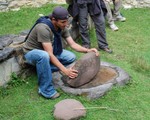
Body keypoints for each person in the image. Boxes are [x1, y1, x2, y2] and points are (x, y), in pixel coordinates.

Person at [22, 6, 99, 99]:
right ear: (54, 19)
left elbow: (73, 44)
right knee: (44, 56)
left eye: (66, 21)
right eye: (63, 22)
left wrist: (88, 50)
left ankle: (44, 68)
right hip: (31, 53)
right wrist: (65, 70)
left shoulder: (61, 26)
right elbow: (49, 54)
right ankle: (45, 90)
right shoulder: (43, 28)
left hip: (47, 52)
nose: (66, 24)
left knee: (71, 57)